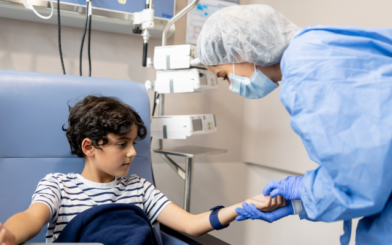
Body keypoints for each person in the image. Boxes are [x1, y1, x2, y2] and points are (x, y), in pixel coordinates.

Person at [196, 4, 392, 245]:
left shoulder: (305, 72)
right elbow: (373, 150)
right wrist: (300, 198)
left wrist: (303, 196)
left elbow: (360, 180)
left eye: (224, 75)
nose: (231, 85)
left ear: (241, 50)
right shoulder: (321, 43)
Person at [0, 95, 286, 245]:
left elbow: (191, 224)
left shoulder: (138, 187)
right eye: (122, 144)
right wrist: (9, 236)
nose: (133, 153)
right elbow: (31, 218)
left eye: (134, 143)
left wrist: (245, 207)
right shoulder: (59, 185)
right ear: (89, 147)